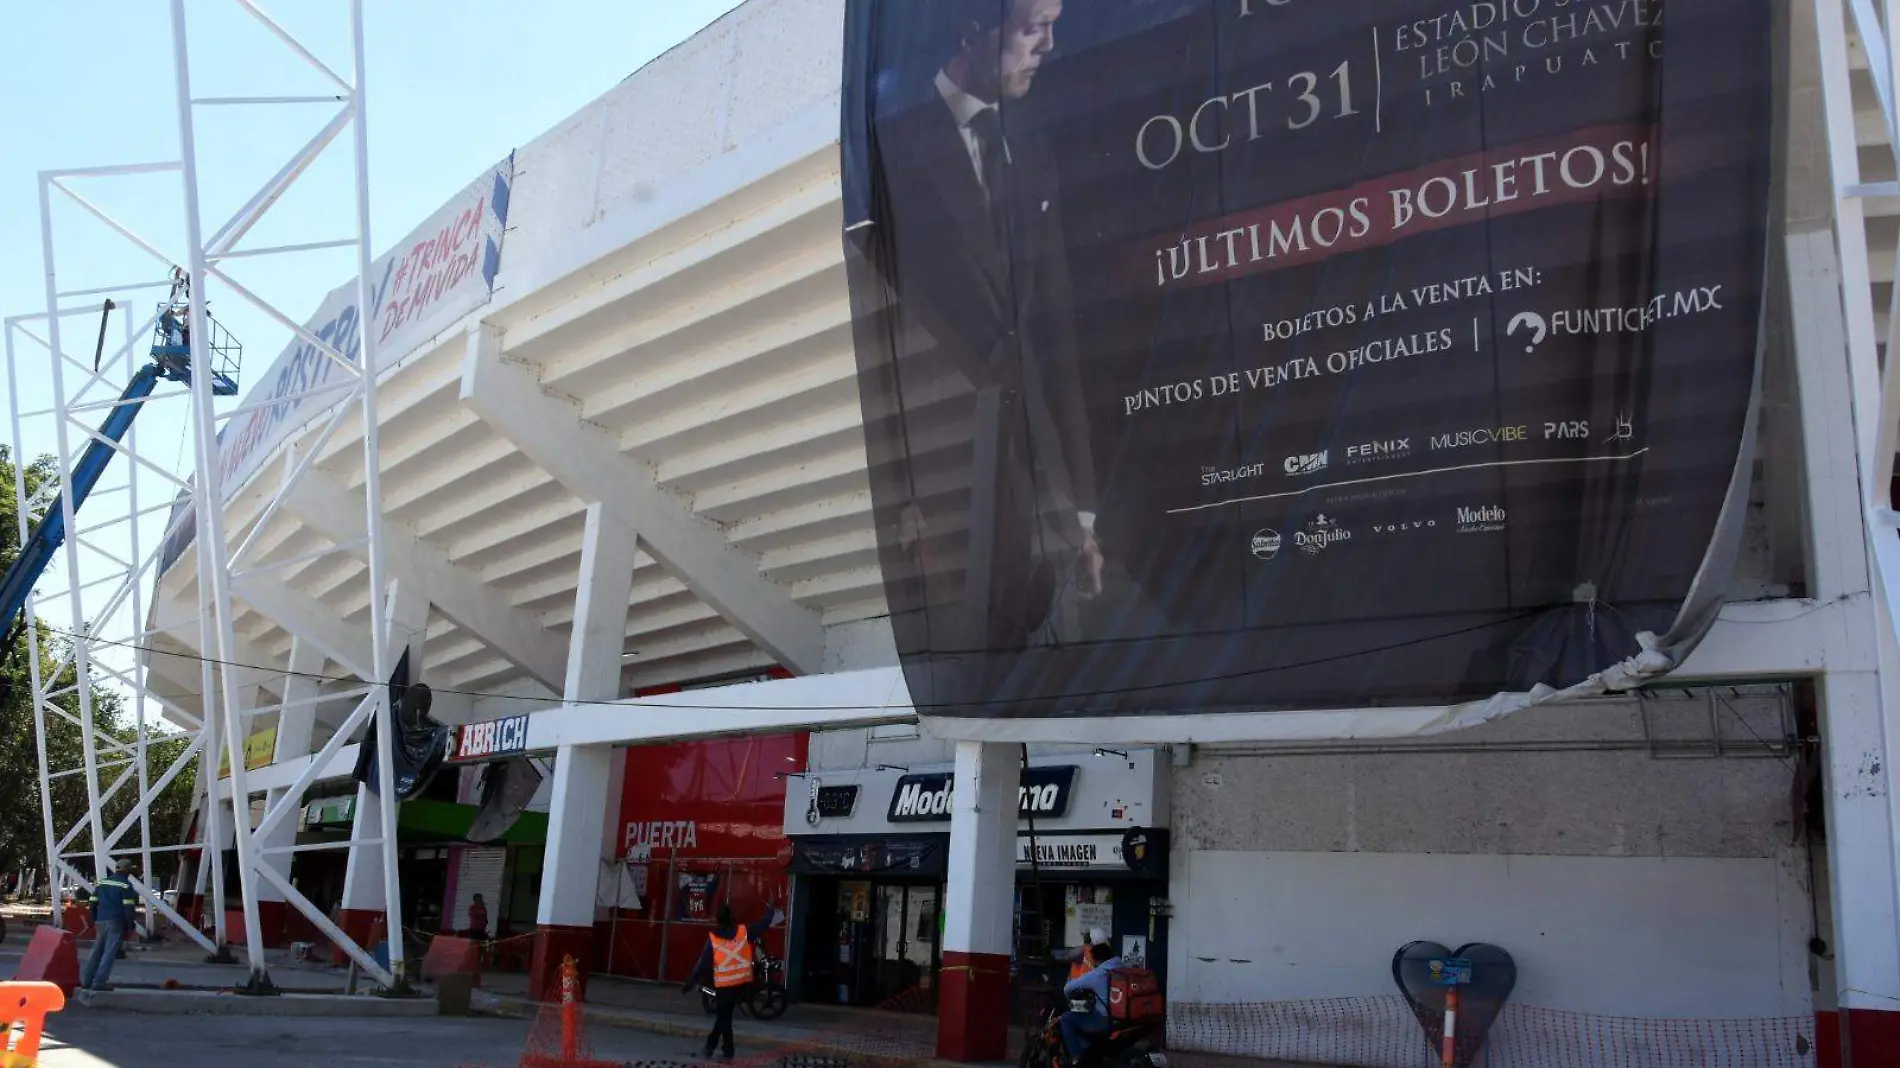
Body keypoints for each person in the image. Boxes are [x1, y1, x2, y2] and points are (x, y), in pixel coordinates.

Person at [864, 0, 1104, 674]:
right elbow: (886, 341)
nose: (1049, 45)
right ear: (973, 34)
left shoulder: (1031, 148)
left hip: (1036, 486)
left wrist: (1081, 508)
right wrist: (902, 493)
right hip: (948, 487)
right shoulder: (893, 148)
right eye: (1033, 28)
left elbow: (1055, 339)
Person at [680, 905, 761, 1061]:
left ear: (717, 920)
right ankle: (711, 1048)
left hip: (724, 986)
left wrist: (689, 984)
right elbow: (762, 926)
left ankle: (725, 1051)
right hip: (741, 983)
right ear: (732, 917)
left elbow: (702, 965)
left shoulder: (713, 939)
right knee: (724, 1017)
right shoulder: (744, 931)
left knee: (724, 1018)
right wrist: (771, 911)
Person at [1060, 940, 1123, 1062]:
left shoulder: (1098, 974)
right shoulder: (1122, 967)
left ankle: (1077, 1057)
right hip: (1122, 1018)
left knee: (1067, 1019)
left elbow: (1069, 988)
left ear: (1097, 959)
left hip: (1103, 1020)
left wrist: (1067, 991)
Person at [80, 860, 137, 996]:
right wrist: (130, 926)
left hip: (101, 920)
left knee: (96, 952)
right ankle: (99, 982)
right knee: (109, 953)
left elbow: (92, 902)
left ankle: (87, 980)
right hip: (115, 921)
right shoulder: (126, 885)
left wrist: (94, 918)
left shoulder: (102, 883)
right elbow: (128, 908)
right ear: (127, 871)